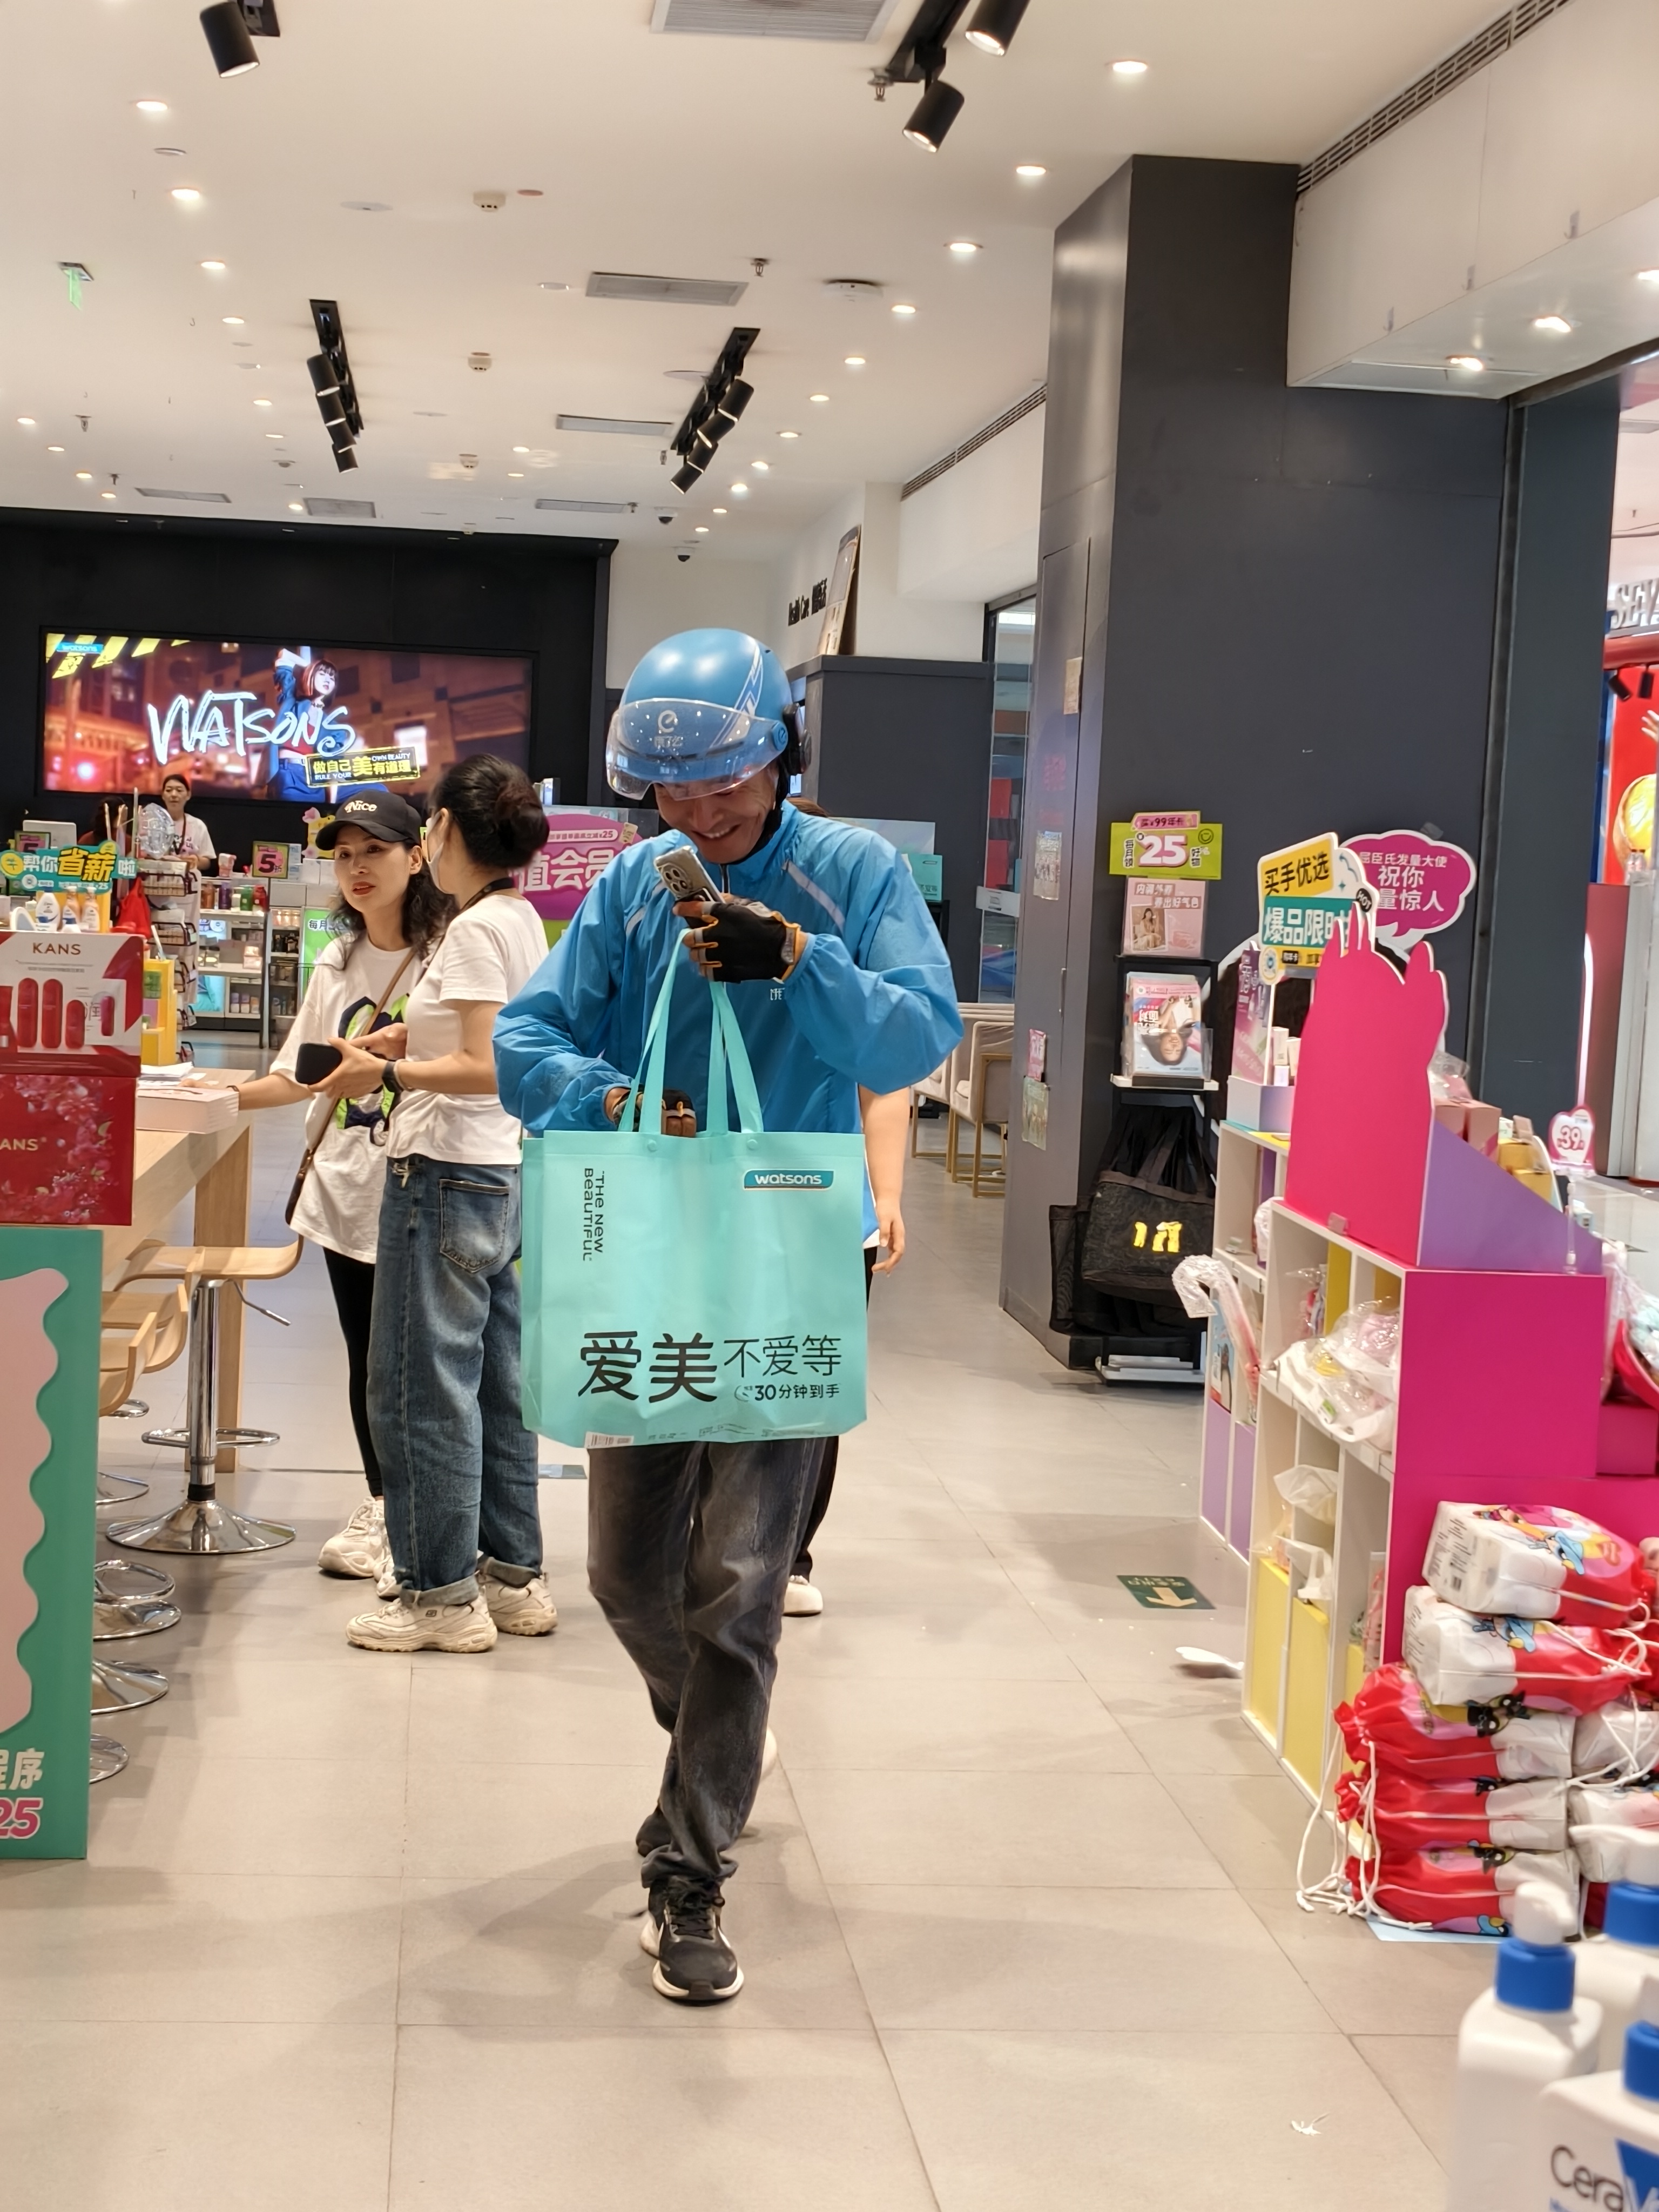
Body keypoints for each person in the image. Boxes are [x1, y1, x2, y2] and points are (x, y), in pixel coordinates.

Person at [495, 628, 960, 2005]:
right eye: (670, 788)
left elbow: (913, 1036)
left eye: (724, 782)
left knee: (741, 1578)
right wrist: (610, 1098)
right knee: (626, 1576)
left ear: (780, 758)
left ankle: (687, 1868)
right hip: (650, 1250)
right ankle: (720, 1734)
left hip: (789, 1255)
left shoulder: (853, 872)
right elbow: (527, 1038)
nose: (696, 810)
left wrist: (796, 958)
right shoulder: (634, 885)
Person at [309, 756, 553, 1655]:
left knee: (419, 1389)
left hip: (443, 1170)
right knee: (493, 1383)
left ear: (443, 831)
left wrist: (389, 1073)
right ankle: (511, 1576)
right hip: (493, 1171)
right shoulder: (514, 917)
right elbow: (494, 1032)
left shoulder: (476, 929)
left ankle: (438, 1595)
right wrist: (408, 1035)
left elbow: (490, 1064)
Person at [785, 1080, 910, 1617]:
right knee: (704, 1369)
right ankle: (699, 1545)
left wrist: (887, 1195)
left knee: (811, 1382)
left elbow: (885, 1077)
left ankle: (788, 1556)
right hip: (704, 1190)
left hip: (827, 1203)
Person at [151, 772, 217, 865]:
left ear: (188, 795)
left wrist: (197, 861)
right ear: (163, 795)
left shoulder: (198, 825)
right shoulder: (152, 823)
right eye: (169, 790)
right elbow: (140, 855)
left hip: (188, 874)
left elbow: (207, 862)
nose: (174, 795)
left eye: (179, 790)